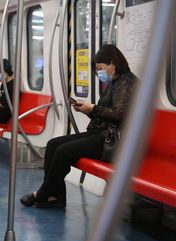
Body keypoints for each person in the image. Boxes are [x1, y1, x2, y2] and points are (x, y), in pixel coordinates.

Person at [20, 45, 137, 209]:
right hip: (101, 133)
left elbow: (120, 114)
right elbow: (106, 114)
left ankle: (42, 194)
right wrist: (87, 110)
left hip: (114, 140)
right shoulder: (114, 83)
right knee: (53, 144)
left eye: (101, 68)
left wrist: (93, 108)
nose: (99, 73)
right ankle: (56, 196)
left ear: (113, 63)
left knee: (63, 151)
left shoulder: (128, 81)